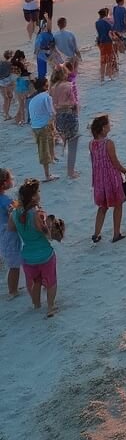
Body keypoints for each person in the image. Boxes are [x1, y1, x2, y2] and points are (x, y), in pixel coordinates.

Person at [8, 179, 57, 317]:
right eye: (38, 192)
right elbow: (48, 236)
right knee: (51, 281)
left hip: (28, 257)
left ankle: (36, 305)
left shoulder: (15, 213)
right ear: (34, 196)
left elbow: (10, 228)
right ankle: (51, 307)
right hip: (44, 255)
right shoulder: (38, 214)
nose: (40, 194)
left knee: (35, 282)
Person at [89, 114, 126, 243]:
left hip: (99, 179)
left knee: (103, 206)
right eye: (108, 125)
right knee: (118, 204)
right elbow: (114, 162)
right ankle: (116, 234)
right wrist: (124, 170)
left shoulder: (91, 144)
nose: (110, 126)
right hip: (111, 178)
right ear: (103, 128)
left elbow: (93, 161)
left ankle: (96, 234)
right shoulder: (108, 143)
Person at [50, 65, 80, 179]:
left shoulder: (53, 87)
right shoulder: (68, 85)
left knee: (66, 139)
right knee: (73, 144)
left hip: (58, 117)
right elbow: (73, 103)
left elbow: (53, 103)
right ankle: (71, 172)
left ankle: (68, 166)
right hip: (69, 115)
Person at [28, 76, 57, 182]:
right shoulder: (46, 97)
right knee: (44, 150)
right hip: (43, 126)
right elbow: (52, 112)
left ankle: (52, 158)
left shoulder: (34, 98)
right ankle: (47, 175)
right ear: (46, 86)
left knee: (49, 142)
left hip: (36, 126)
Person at [0, 168, 23, 297]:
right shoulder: (6, 200)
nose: (12, 180)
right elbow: (15, 213)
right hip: (9, 234)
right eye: (10, 178)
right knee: (14, 265)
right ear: (4, 183)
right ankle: (13, 291)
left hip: (1, 233)